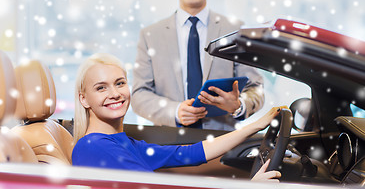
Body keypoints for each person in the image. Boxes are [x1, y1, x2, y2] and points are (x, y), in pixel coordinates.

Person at [72, 53, 283, 181]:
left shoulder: (120, 142)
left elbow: (191, 153)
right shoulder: (94, 146)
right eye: (101, 88)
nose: (115, 93)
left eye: (120, 83)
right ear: (84, 99)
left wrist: (256, 125)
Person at [131, 0, 264, 130]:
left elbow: (256, 88)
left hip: (221, 143)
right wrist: (175, 110)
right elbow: (139, 95)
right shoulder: (150, 35)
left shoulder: (235, 31)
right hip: (169, 144)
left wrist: (239, 105)